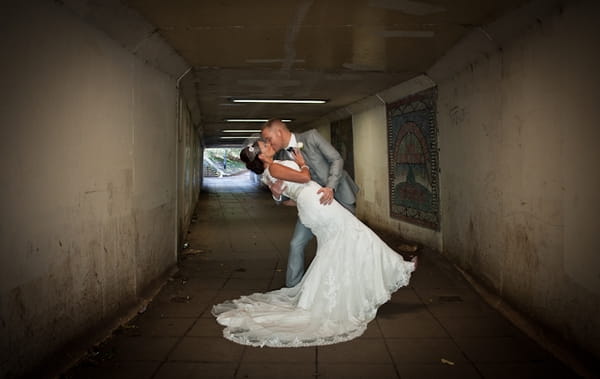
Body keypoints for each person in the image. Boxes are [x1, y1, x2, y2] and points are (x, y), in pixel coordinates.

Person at [211, 139, 416, 348]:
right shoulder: (273, 166)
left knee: (339, 246)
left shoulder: (270, 171)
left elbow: (287, 193)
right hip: (317, 203)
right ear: (261, 156)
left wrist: (283, 192)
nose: (268, 145)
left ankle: (334, 293)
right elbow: (305, 176)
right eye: (263, 146)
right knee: (357, 234)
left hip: (311, 203)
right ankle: (397, 266)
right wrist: (301, 162)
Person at [261, 119, 359, 287]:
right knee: (296, 243)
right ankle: (293, 288)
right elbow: (287, 193)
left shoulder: (311, 137)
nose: (268, 143)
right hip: (312, 207)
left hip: (339, 195)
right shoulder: (281, 158)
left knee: (346, 242)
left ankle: (348, 285)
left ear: (279, 131)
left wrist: (330, 188)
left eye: (269, 138)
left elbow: (336, 159)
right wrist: (277, 195)